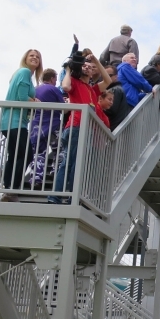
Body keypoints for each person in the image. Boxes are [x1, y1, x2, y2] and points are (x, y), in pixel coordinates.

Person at [49, 42, 112, 204]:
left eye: (91, 67)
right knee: (69, 162)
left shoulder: (92, 89)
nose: (88, 68)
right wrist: (69, 68)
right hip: (76, 127)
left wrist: (96, 61)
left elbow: (107, 80)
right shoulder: (76, 84)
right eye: (85, 66)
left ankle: (70, 197)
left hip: (85, 129)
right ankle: (55, 196)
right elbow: (65, 85)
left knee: (77, 165)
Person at [0, 49, 42, 201]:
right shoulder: (24, 72)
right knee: (25, 154)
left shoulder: (27, 76)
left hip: (12, 121)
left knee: (15, 155)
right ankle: (12, 188)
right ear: (25, 58)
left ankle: (9, 187)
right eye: (32, 56)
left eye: (37, 57)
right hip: (15, 121)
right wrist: (36, 102)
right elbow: (22, 98)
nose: (35, 58)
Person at [28, 68, 65, 189]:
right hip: (52, 123)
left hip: (36, 125)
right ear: (53, 78)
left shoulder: (35, 89)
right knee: (60, 149)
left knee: (39, 152)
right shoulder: (54, 89)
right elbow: (63, 108)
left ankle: (36, 178)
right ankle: (56, 172)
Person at [101, 64, 132, 130]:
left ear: (116, 77)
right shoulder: (116, 89)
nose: (105, 77)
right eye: (104, 75)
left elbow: (111, 110)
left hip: (112, 128)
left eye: (109, 75)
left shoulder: (115, 90)